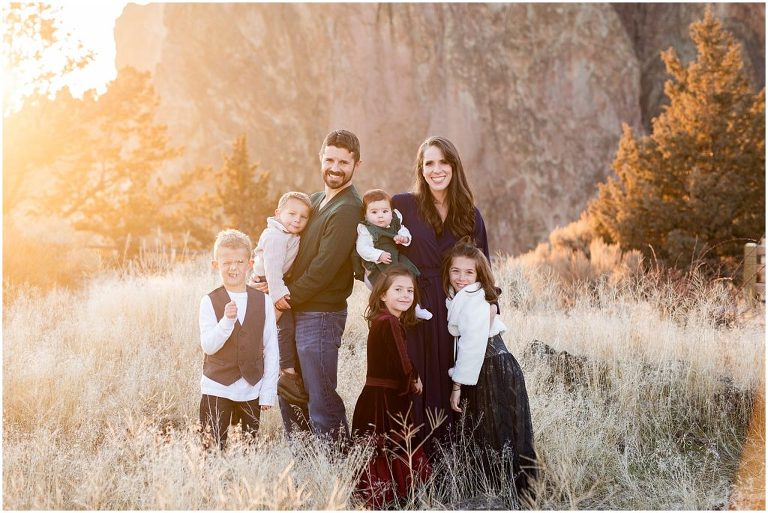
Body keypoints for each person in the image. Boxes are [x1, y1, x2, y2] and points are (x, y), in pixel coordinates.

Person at [392, 136, 490, 454]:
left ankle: (451, 464)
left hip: (454, 312)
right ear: (421, 169)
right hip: (414, 307)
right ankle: (412, 463)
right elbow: (379, 252)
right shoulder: (403, 205)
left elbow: (483, 270)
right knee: (414, 381)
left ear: (454, 166)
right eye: (429, 163)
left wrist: (492, 311)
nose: (436, 169)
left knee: (453, 382)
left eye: (443, 162)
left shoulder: (470, 215)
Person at [270, 129, 363, 443]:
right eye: (330, 159)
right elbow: (287, 246)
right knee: (290, 388)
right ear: (321, 159)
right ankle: (305, 465)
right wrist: (266, 276)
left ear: (356, 166)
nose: (335, 168)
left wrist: (284, 298)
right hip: (295, 308)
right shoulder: (313, 201)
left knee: (320, 396)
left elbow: (324, 268)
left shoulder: (348, 208)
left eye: (343, 162)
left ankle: (336, 468)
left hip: (320, 315)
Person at [443, 238, 537, 497]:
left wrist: (456, 385)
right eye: (455, 271)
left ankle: (510, 494)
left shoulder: (474, 299)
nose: (461, 278)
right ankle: (504, 492)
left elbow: (473, 344)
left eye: (469, 272)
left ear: (479, 274)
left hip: (492, 366)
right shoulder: (462, 296)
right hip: (489, 366)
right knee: (495, 431)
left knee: (498, 432)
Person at [351, 266, 430, 508]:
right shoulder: (390, 323)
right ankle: (393, 497)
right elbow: (401, 360)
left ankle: (382, 497)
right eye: (398, 290)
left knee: (379, 451)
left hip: (373, 396)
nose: (406, 295)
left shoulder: (381, 320)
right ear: (383, 294)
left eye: (410, 291)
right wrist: (414, 379)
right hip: (385, 400)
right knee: (392, 445)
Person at [198, 229, 279, 449]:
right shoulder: (209, 301)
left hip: (251, 389)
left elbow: (271, 348)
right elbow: (209, 346)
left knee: (248, 450)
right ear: (216, 265)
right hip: (217, 388)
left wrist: (268, 391)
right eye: (226, 263)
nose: (233, 267)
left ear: (250, 263)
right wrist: (226, 322)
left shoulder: (263, 301)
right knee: (212, 449)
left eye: (239, 261)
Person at [251, 191, 312, 405]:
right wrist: (277, 294)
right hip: (267, 284)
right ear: (278, 213)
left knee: (277, 327)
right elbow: (273, 268)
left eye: (303, 217)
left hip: (272, 281)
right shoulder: (276, 236)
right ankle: (287, 373)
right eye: (292, 213)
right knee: (283, 327)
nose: (297, 219)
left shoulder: (288, 234)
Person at [355, 188, 432, 320]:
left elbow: (404, 231)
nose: (380, 216)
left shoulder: (395, 222)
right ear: (366, 215)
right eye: (374, 212)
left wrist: (404, 238)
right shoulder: (366, 229)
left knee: (409, 275)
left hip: (395, 258)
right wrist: (378, 255)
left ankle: (415, 307)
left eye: (385, 211)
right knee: (388, 286)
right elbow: (362, 248)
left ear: (391, 211)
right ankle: (387, 312)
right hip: (378, 265)